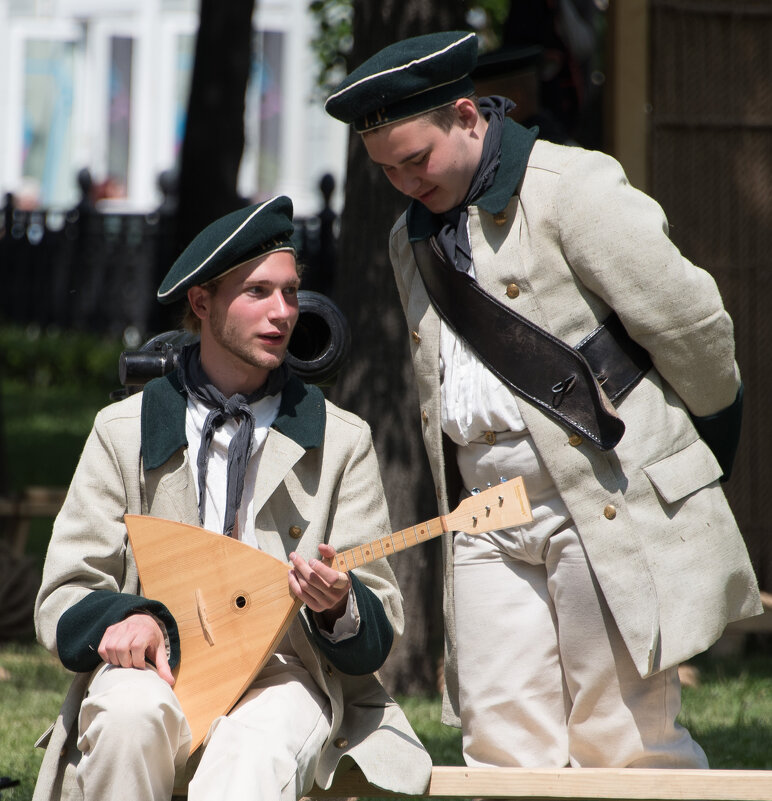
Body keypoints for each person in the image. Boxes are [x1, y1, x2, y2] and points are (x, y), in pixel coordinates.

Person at [325, 31, 762, 769]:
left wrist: (695, 451)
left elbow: (691, 325)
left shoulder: (572, 187)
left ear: (467, 115)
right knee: (498, 742)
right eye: (386, 170)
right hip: (484, 512)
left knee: (623, 739)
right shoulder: (412, 240)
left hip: (598, 489)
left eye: (415, 159)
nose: (403, 182)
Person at [32, 196, 432, 801]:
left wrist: (335, 607)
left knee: (250, 758)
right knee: (126, 721)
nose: (282, 313)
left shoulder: (341, 440)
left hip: (287, 674)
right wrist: (129, 618)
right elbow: (63, 594)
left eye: (291, 293)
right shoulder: (125, 430)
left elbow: (376, 623)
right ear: (202, 303)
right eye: (258, 293)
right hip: (154, 665)